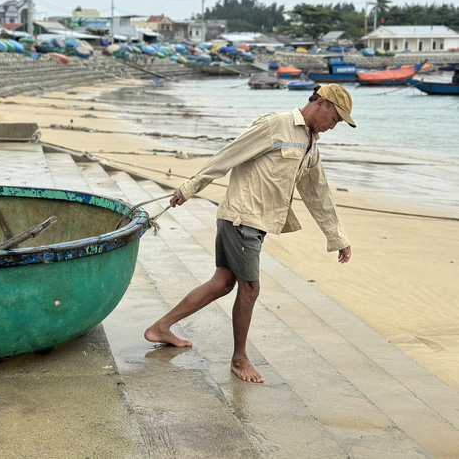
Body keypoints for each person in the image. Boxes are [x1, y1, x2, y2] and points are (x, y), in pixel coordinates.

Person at [144, 83, 355, 383]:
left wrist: (337, 238)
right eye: (335, 118)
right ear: (321, 103)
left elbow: (318, 192)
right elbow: (228, 155)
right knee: (250, 288)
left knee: (223, 282)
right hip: (241, 218)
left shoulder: (310, 144)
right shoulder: (276, 125)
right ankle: (239, 359)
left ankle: (161, 328)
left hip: (255, 223)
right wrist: (191, 187)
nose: (335, 126)